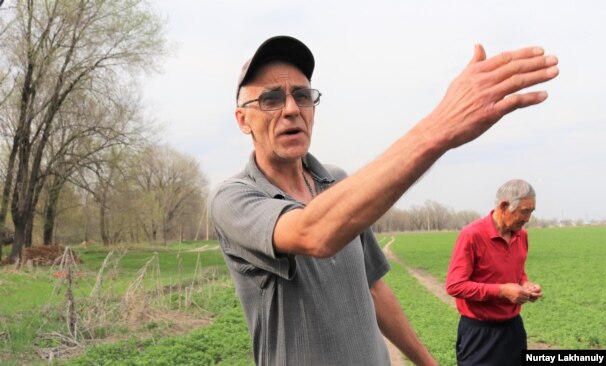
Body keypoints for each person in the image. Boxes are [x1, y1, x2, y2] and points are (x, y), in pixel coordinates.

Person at [210, 35, 558, 365]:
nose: (291, 109)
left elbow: (374, 289)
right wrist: (439, 130)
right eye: (270, 99)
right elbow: (311, 233)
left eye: (302, 95)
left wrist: (427, 362)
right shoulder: (234, 198)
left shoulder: (337, 183)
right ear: (243, 120)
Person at [445, 179, 542, 366]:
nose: (528, 218)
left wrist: (526, 285)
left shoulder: (522, 236)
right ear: (504, 206)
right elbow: (455, 285)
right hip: (480, 334)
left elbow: (518, 272)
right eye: (524, 211)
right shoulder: (472, 235)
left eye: (531, 211)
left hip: (513, 329)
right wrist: (502, 291)